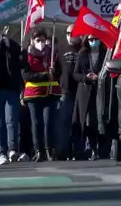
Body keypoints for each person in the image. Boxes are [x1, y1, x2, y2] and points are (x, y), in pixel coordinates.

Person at [0, 23, 27, 164]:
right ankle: (1, 152)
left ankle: (12, 150)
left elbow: (20, 60)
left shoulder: (10, 46)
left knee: (11, 121)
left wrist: (8, 43)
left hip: (11, 88)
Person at [22, 28, 62, 162]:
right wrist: (44, 75)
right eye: (38, 40)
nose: (41, 43)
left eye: (43, 40)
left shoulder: (52, 55)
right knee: (36, 123)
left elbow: (59, 73)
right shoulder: (26, 55)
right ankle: (38, 151)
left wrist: (54, 72)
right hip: (33, 94)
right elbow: (26, 75)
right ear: (32, 41)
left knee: (48, 122)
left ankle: (49, 150)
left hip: (50, 93)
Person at [72, 35, 108, 160]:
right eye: (91, 40)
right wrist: (86, 77)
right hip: (86, 91)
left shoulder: (105, 53)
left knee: (101, 119)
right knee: (88, 122)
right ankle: (92, 148)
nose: (93, 42)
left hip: (101, 90)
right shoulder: (82, 54)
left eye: (95, 39)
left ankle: (103, 149)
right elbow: (75, 74)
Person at [59, 24, 82, 160]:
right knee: (64, 122)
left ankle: (78, 151)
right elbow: (56, 68)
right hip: (65, 90)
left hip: (80, 90)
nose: (70, 36)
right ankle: (63, 152)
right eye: (68, 33)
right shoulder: (60, 48)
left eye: (73, 33)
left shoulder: (83, 49)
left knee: (78, 122)